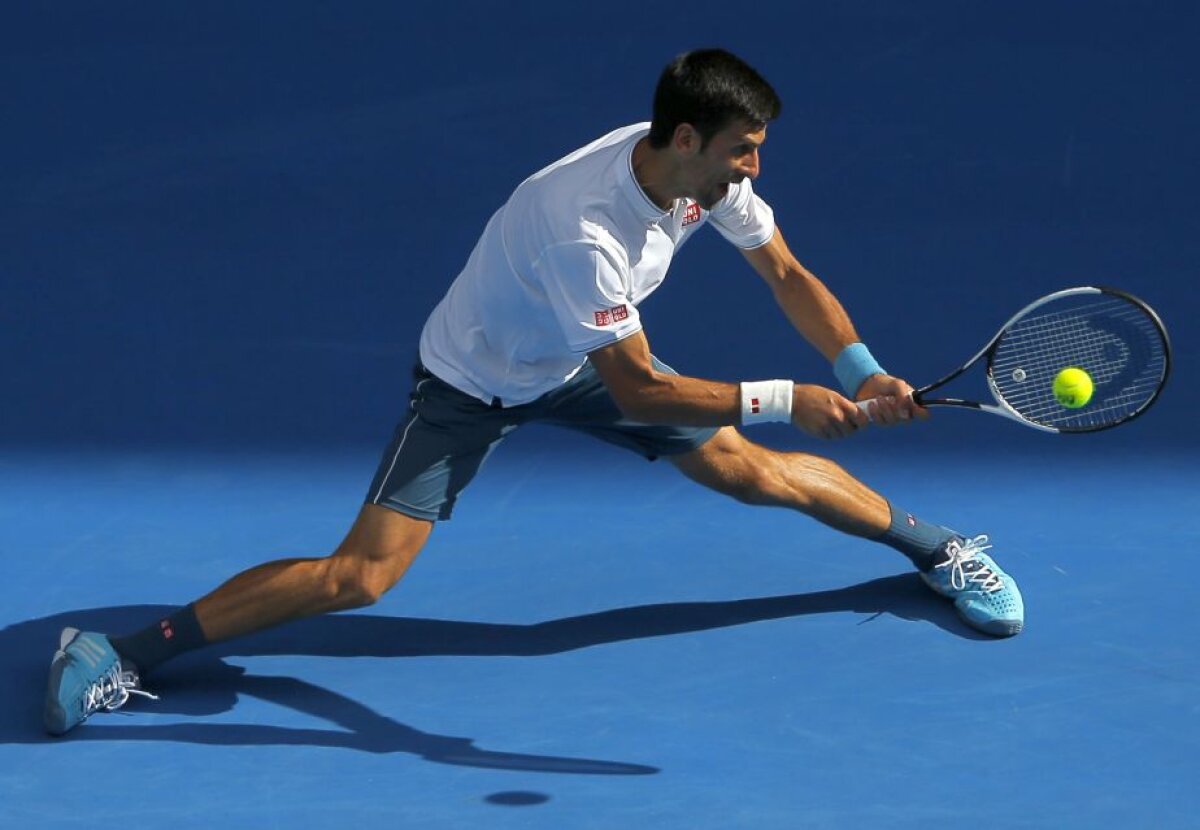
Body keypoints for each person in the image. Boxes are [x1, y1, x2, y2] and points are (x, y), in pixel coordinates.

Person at [43, 48, 1023, 736]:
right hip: (476, 381)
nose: (754, 168)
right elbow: (641, 385)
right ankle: (120, 650)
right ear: (687, 137)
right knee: (360, 579)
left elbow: (787, 274)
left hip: (581, 358)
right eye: (744, 149)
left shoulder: (698, 177)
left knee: (750, 472)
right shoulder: (582, 231)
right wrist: (786, 397)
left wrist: (858, 370)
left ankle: (936, 548)